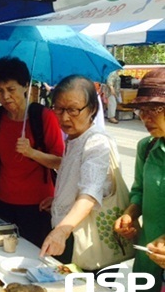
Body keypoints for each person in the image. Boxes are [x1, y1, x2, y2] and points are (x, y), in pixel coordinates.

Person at [0, 57, 64, 248]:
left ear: (25, 86)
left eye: (11, 89)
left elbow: (60, 161)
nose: (5, 97)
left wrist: (31, 152)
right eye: (0, 91)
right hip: (3, 202)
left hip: (38, 205)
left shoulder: (44, 117)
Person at [39, 75, 118, 265]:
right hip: (69, 230)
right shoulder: (75, 137)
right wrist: (61, 199)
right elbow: (74, 173)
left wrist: (62, 230)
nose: (65, 117)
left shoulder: (96, 141)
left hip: (83, 238)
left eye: (73, 110)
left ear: (91, 109)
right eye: (59, 109)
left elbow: (90, 193)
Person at [114, 68, 165, 292]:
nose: (145, 117)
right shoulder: (147, 147)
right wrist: (130, 214)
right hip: (146, 265)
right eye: (141, 110)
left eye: (153, 109)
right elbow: (139, 191)